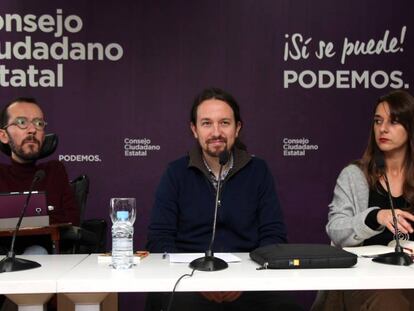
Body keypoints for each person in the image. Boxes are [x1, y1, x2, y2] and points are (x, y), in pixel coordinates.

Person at [146, 87, 302, 311]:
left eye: (225, 123)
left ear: (237, 128)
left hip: (247, 280)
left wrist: (244, 279)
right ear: (194, 129)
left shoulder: (258, 170)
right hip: (189, 279)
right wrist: (196, 279)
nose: (216, 132)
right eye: (207, 123)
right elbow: (159, 240)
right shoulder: (176, 173)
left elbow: (273, 236)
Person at [324, 90, 414, 310]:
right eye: (377, 121)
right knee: (389, 303)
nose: (382, 129)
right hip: (365, 281)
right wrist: (376, 217)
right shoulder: (354, 175)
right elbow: (335, 229)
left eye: (393, 122)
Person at [0, 97, 79, 254]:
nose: (32, 130)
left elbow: (71, 222)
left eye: (39, 123)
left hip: (41, 254)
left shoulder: (54, 172)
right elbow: (58, 218)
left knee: (37, 252)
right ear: (3, 136)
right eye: (22, 122)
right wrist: (46, 216)